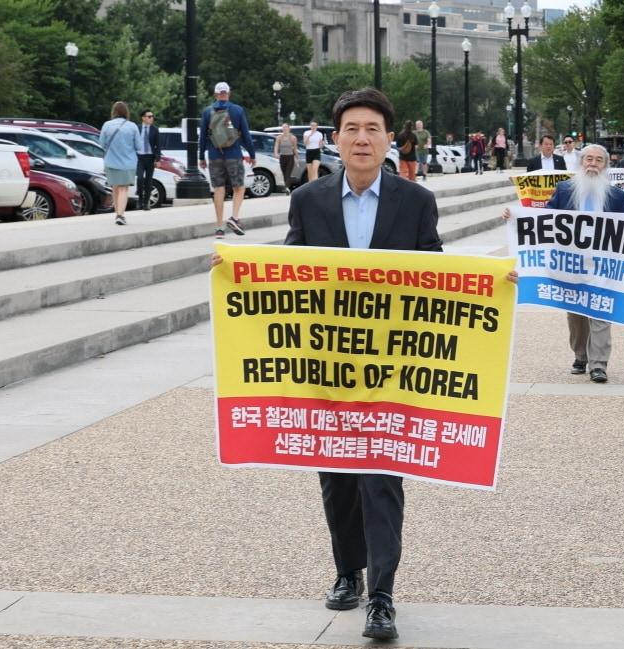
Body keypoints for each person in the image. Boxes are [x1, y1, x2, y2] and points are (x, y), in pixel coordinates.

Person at [213, 87, 515, 641]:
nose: (361, 138)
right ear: (336, 138)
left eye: (372, 128)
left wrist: (492, 285)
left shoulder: (415, 201)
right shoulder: (308, 200)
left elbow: (436, 276)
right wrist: (235, 267)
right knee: (337, 478)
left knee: (381, 478)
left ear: (387, 139)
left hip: (392, 372)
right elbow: (288, 269)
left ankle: (381, 593)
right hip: (326, 372)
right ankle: (346, 571)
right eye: (351, 128)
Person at [502, 146, 624, 382]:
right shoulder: (564, 190)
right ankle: (580, 355)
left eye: (599, 160)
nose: (593, 164)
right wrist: (516, 218)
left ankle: (598, 365)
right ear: (581, 162)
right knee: (575, 315)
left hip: (604, 268)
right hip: (569, 266)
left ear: (605, 166)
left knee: (601, 311)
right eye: (589, 159)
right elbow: (545, 220)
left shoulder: (617, 196)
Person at [199, 81, 256, 239]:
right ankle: (234, 217)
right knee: (239, 187)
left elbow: (203, 136)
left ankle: (219, 228)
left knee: (219, 189)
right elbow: (245, 134)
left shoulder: (207, 111)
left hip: (214, 155)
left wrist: (201, 156)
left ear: (216, 94)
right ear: (228, 93)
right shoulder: (237, 110)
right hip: (233, 154)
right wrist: (252, 154)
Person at [100, 101, 143, 226]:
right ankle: (121, 215)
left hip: (111, 162)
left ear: (114, 111)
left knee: (115, 187)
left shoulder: (107, 125)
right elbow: (139, 146)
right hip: (128, 163)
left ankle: (116, 213)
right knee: (124, 188)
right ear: (126, 112)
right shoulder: (132, 126)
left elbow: (102, 144)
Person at [136, 109, 160, 211]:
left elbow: (158, 145)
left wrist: (157, 159)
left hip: (150, 157)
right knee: (140, 178)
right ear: (143, 118)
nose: (152, 118)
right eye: (149, 116)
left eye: (152, 116)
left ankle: (146, 203)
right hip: (140, 157)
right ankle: (140, 200)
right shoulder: (137, 128)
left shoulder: (155, 129)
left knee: (149, 181)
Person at [273, 123, 298, 193]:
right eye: (283, 128)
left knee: (287, 173)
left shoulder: (293, 138)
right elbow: (276, 146)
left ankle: (286, 188)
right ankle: (289, 185)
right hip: (282, 156)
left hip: (290, 157)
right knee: (284, 173)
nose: (284, 129)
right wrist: (276, 153)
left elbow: (295, 148)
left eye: (286, 128)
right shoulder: (279, 137)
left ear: (289, 129)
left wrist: (296, 157)